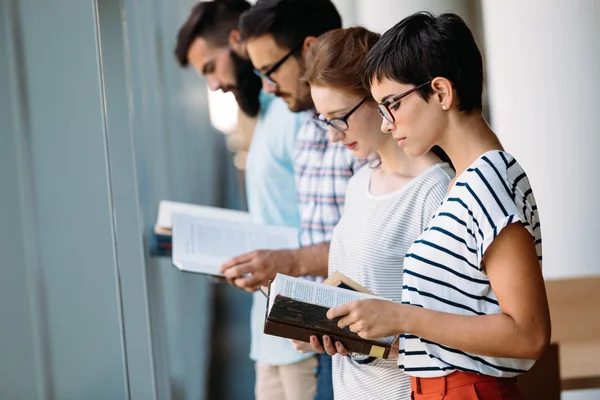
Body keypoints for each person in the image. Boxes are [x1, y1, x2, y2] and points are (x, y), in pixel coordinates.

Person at [327, 12, 551, 400]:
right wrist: (371, 331)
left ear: (442, 93)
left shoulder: (488, 179)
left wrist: (400, 315)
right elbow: (456, 336)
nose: (385, 123)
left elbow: (529, 334)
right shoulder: (463, 183)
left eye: (391, 104)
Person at [289, 26, 453, 400]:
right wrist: (332, 333)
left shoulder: (435, 191)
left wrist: (374, 341)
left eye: (338, 117)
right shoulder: (358, 183)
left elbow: (453, 335)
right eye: (323, 120)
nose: (332, 135)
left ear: (376, 98)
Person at [219, 1, 363, 399]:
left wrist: (288, 262)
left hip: (366, 344)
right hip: (321, 339)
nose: (266, 86)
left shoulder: (363, 137)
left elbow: (374, 248)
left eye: (270, 70)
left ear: (309, 49)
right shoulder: (304, 129)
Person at [175, 2, 316, 399]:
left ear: (236, 42)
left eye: (210, 68)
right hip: (270, 333)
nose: (214, 85)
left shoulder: (297, 115)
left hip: (303, 335)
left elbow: (334, 224)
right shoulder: (271, 114)